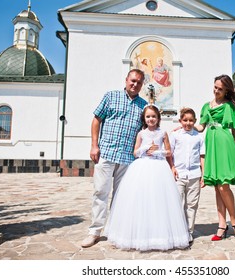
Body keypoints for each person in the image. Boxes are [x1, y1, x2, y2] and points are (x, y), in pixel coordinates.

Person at [105, 105, 190, 251]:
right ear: (144, 119)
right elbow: (135, 153)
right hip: (142, 167)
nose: (151, 119)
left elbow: (169, 152)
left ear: (158, 118)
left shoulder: (163, 133)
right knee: (141, 199)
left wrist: (159, 151)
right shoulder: (141, 134)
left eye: (153, 116)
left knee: (159, 200)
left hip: (159, 167)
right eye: (148, 117)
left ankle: (159, 234)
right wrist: (144, 149)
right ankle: (140, 234)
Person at [81, 69, 147, 248]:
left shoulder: (144, 105)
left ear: (142, 85)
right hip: (106, 153)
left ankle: (116, 231)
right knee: (100, 193)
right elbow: (96, 120)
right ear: (126, 80)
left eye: (139, 82)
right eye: (133, 80)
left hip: (128, 158)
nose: (135, 84)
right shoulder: (111, 96)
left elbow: (146, 131)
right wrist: (94, 145)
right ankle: (94, 232)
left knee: (121, 196)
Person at [195, 74, 235, 242]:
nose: (216, 90)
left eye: (220, 89)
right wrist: (184, 123)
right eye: (215, 87)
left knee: (224, 186)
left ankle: (234, 221)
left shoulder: (230, 106)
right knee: (217, 186)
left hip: (225, 144)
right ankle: (222, 225)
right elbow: (201, 127)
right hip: (212, 145)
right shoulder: (206, 106)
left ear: (226, 91)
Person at [169, 108, 205, 243]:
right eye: (185, 120)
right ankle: (177, 231)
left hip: (195, 175)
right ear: (180, 121)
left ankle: (189, 231)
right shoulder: (175, 135)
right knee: (177, 203)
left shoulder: (198, 137)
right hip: (178, 174)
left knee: (192, 205)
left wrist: (203, 174)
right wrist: (172, 167)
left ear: (195, 121)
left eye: (191, 120)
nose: (188, 123)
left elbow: (202, 156)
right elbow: (170, 154)